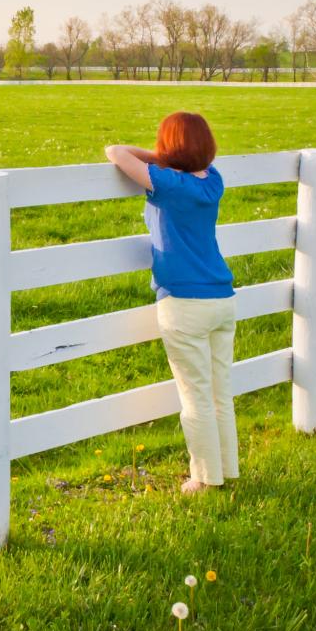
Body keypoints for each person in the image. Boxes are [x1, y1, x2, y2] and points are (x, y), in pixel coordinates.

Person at [105, 112, 236, 494]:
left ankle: (205, 478)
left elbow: (116, 151)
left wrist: (160, 156)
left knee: (195, 396)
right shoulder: (213, 180)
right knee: (219, 393)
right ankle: (227, 469)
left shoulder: (168, 184)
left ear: (170, 148)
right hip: (222, 298)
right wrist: (176, 157)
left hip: (184, 303)